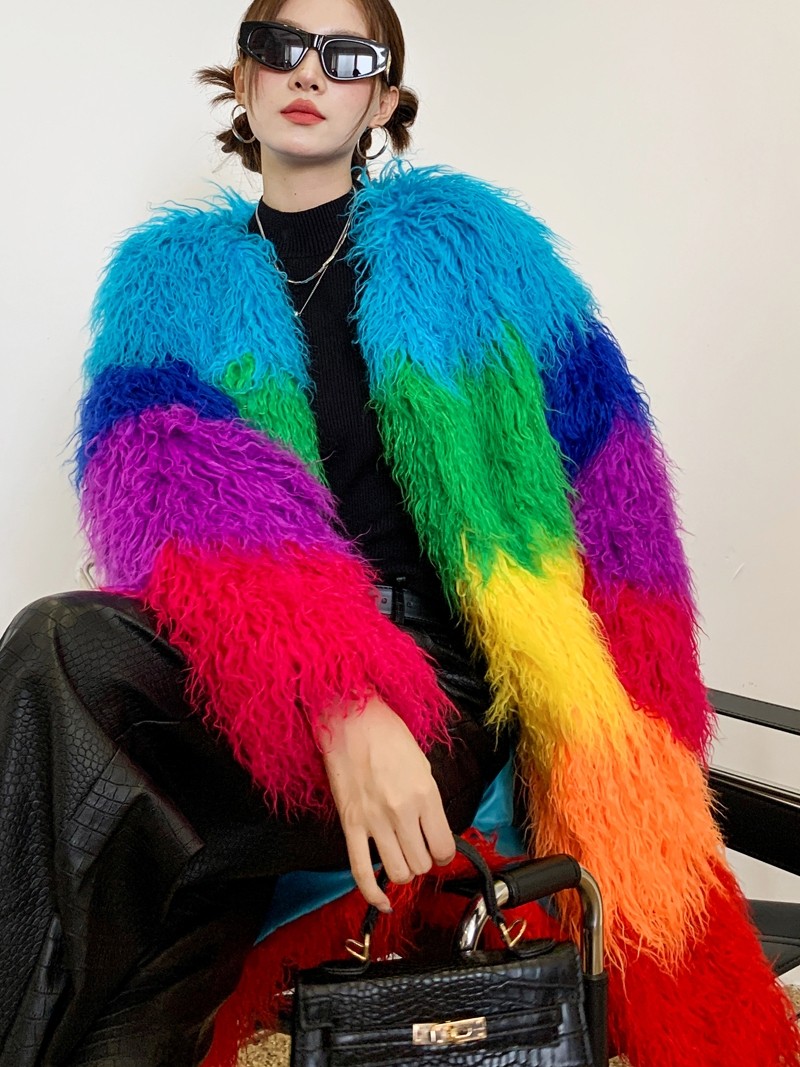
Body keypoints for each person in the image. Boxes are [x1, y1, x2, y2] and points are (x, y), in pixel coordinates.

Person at [1, 1, 798, 1065]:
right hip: (254, 674)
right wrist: (335, 693)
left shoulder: (474, 252)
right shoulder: (164, 286)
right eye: (281, 48)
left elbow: (618, 499)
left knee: (123, 819)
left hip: (452, 693)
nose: (309, 73)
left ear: (379, 98)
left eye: (346, 57)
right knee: (60, 653)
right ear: (242, 79)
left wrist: (638, 754)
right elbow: (177, 512)